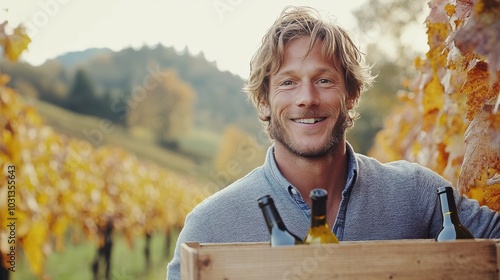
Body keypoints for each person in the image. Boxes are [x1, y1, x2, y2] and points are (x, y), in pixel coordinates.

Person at [166, 6, 500, 279]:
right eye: (288, 82)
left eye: (324, 80)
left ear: (351, 94)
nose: (307, 98)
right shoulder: (211, 226)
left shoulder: (417, 195)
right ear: (264, 101)